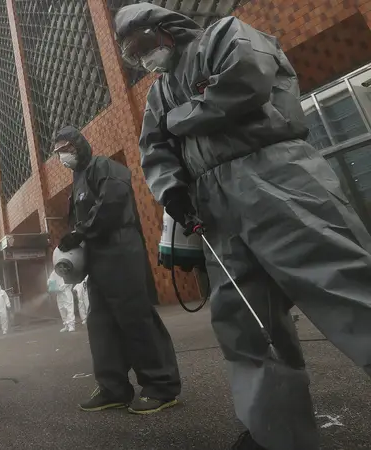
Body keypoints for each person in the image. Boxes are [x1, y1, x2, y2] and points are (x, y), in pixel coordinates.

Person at [114, 4, 371, 448]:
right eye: (132, 55)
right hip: (213, 206)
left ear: (165, 30)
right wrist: (173, 191)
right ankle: (276, 432)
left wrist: (179, 120)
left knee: (344, 285)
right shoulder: (158, 93)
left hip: (276, 175)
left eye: (143, 46)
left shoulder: (225, 35)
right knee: (244, 321)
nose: (143, 59)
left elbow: (244, 83)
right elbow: (153, 149)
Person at [53, 125, 182, 415]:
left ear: (80, 145)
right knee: (101, 324)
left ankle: (161, 386)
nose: (64, 156)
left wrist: (81, 232)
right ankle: (113, 387)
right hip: (97, 258)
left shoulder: (104, 167)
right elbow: (80, 219)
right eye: (59, 151)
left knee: (135, 319)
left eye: (67, 148)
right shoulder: (77, 181)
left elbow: (112, 202)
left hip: (120, 250)